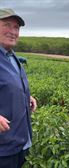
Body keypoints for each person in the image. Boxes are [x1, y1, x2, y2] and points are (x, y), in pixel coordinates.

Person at [0, 8, 37, 167]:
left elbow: (7, 87)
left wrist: (25, 96)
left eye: (16, 27)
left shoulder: (11, 56)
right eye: (6, 25)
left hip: (19, 142)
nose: (12, 31)